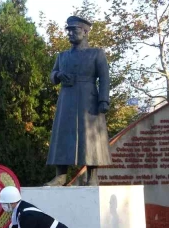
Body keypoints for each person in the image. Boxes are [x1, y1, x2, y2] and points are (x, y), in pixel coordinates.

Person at [45, 16, 111, 186]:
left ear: (85, 32)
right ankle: (60, 176)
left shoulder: (96, 53)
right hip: (66, 99)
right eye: (69, 31)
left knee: (91, 138)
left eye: (74, 30)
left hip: (88, 99)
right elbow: (52, 76)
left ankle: (92, 176)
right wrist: (58, 75)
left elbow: (104, 77)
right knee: (62, 134)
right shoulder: (62, 56)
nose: (70, 34)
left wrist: (104, 100)